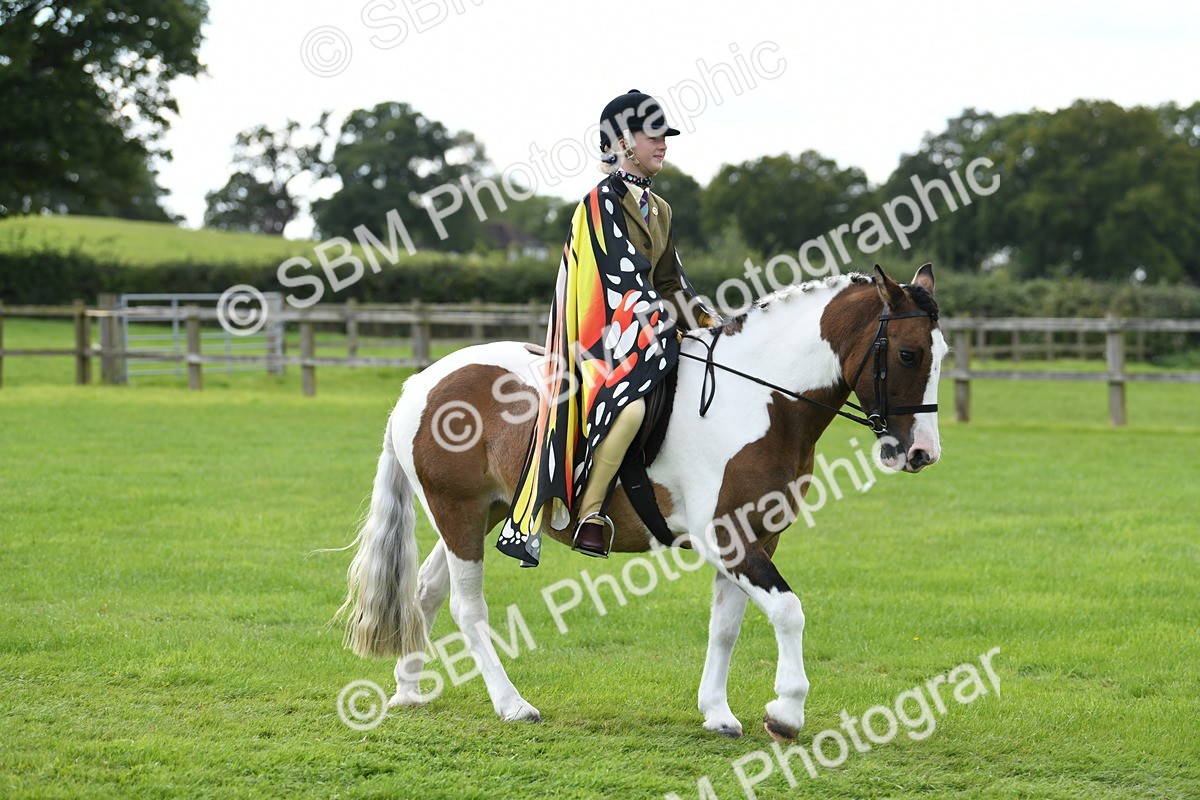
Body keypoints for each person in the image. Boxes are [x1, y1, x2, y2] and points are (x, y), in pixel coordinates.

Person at [496, 90, 717, 567]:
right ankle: (591, 513)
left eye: (665, 135)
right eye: (651, 134)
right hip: (600, 339)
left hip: (644, 330)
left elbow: (669, 280)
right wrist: (660, 322)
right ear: (621, 141)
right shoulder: (599, 202)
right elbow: (620, 278)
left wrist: (706, 321)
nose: (662, 143)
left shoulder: (661, 209)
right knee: (632, 407)